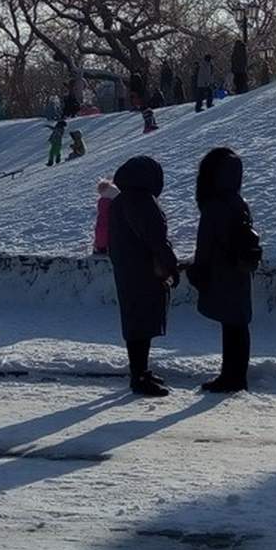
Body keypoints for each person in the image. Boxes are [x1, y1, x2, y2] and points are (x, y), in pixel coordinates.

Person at [188, 146, 263, 394]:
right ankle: (235, 375)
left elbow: (205, 243)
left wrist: (198, 272)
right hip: (239, 270)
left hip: (221, 271)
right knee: (237, 324)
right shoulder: (238, 201)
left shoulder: (214, 204)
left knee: (231, 325)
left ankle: (231, 377)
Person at [105, 155, 180, 397]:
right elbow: (156, 239)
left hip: (127, 269)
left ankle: (140, 371)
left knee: (135, 321)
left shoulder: (120, 200)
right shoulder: (143, 201)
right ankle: (139, 376)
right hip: (144, 271)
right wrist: (171, 266)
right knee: (143, 323)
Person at [93, 178, 118, 255]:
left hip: (103, 237)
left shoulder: (103, 201)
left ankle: (100, 247)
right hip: (112, 236)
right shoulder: (114, 196)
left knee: (102, 230)